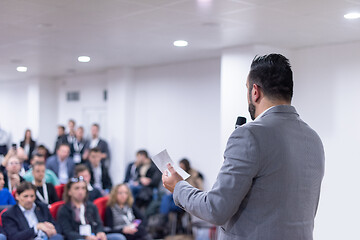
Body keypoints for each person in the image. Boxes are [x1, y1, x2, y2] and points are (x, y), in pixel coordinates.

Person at [162, 54, 325, 240]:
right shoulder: (313, 139)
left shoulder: (250, 134)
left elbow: (215, 209)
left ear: (255, 91)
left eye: (247, 89)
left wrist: (178, 187)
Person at [57, 176, 126, 240]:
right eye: (77, 188)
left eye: (83, 188)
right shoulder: (64, 209)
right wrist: (85, 237)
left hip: (94, 236)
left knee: (119, 237)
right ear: (69, 192)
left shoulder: (91, 206)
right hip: (79, 237)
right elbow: (67, 232)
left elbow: (99, 224)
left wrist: (100, 232)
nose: (80, 192)